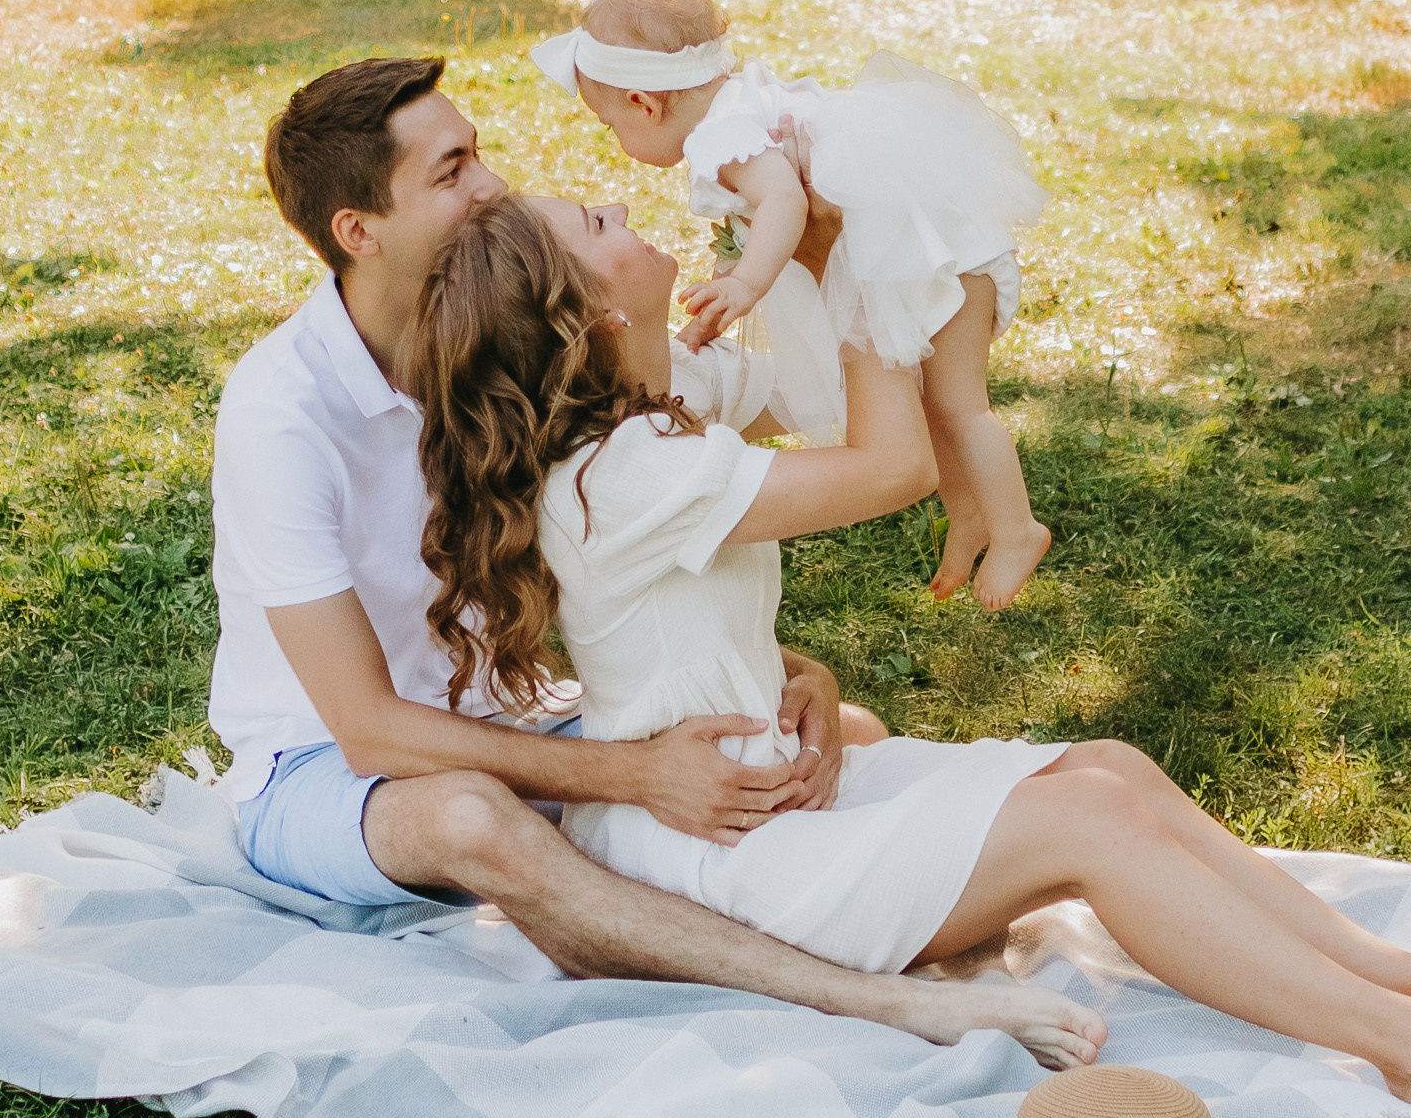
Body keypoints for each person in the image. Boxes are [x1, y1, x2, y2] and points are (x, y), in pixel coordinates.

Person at [412, 193, 1411, 1112]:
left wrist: (823, 240)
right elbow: (891, 465)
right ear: (590, 311)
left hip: (757, 790)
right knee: (1087, 824)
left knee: (1104, 765)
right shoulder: (622, 471)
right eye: (595, 222)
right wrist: (874, 270)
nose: (618, 204)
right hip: (717, 858)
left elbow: (825, 400)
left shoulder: (661, 397)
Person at [205, 54, 1104, 1065]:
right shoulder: (282, 414)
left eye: (477, 154)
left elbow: (615, 556)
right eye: (450, 172)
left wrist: (802, 675)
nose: (491, 186)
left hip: (508, 713)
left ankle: (849, 911)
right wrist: (630, 774)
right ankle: (870, 1002)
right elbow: (367, 729)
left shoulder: (512, 345)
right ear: (358, 232)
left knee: (826, 740)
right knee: (472, 819)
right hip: (326, 770)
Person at [532, 0, 1049, 608]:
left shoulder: (720, 137)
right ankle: (971, 516)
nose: (619, 140)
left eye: (612, 126)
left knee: (959, 402)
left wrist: (747, 282)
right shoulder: (734, 107)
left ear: (644, 104)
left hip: (942, 255)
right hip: (917, 250)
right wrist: (728, 286)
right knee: (935, 401)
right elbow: (761, 219)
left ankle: (1018, 530)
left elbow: (784, 201)